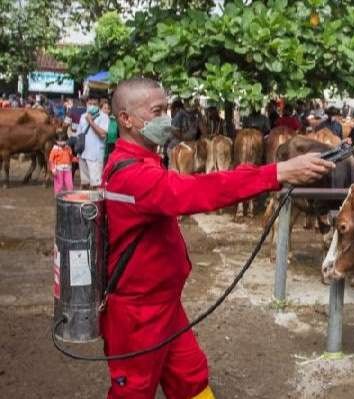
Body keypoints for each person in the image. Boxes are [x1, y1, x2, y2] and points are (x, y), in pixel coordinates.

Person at [101, 78, 335, 399]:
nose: (166, 119)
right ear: (126, 119)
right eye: (157, 111)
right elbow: (198, 190)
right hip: (138, 313)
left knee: (191, 376)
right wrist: (275, 173)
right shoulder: (132, 175)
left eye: (166, 109)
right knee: (133, 390)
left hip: (164, 305)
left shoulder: (145, 164)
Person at [78, 98, 109, 189]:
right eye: (90, 103)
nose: (91, 105)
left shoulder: (103, 117)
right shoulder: (83, 116)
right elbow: (79, 134)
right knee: (85, 183)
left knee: (96, 185)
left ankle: (96, 203)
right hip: (82, 154)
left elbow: (103, 134)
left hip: (95, 156)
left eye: (94, 103)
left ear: (98, 105)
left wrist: (91, 122)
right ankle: (86, 203)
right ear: (86, 103)